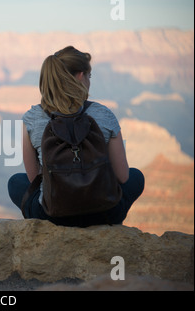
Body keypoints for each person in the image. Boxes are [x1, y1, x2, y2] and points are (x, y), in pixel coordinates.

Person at [8, 46, 144, 227]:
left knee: (16, 182)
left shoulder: (32, 118)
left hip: (53, 215)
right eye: (89, 76)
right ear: (80, 76)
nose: (89, 81)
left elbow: (35, 179)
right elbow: (123, 177)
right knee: (136, 176)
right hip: (104, 213)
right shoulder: (104, 113)